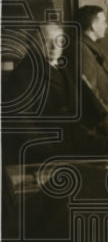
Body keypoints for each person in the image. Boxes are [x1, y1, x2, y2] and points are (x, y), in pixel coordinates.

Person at [3, 22, 85, 163]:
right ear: (34, 43)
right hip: (44, 156)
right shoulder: (25, 74)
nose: (54, 47)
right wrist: (49, 151)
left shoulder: (62, 68)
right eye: (47, 41)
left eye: (58, 41)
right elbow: (19, 120)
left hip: (69, 148)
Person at [76, 4, 108, 154]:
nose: (106, 26)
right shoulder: (82, 49)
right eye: (103, 21)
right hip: (100, 126)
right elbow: (89, 90)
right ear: (92, 24)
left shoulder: (90, 47)